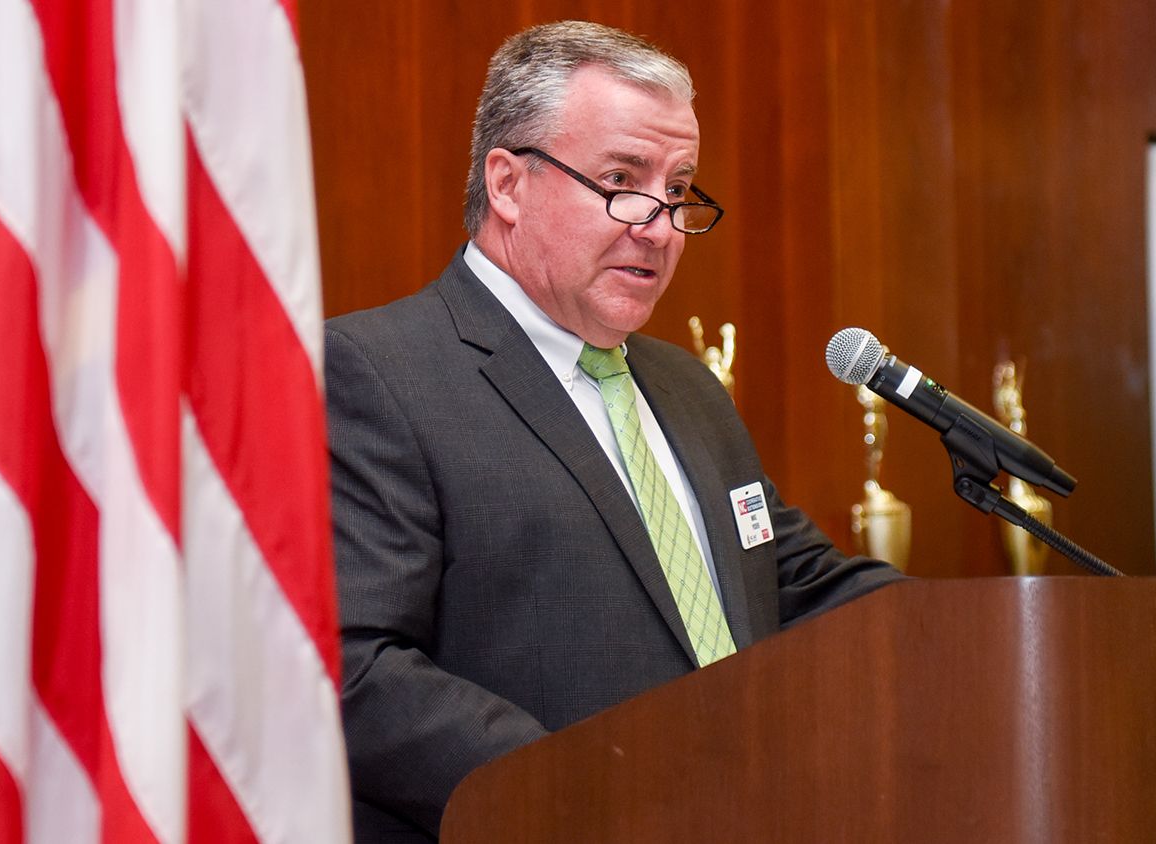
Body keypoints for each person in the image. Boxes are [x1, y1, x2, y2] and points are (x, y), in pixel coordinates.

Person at [324, 21, 901, 842]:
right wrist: (584, 793)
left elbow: (794, 587)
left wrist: (994, 638)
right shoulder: (376, 373)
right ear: (508, 184)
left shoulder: (687, 388)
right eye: (622, 180)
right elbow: (355, 664)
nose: (660, 226)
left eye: (678, 189)